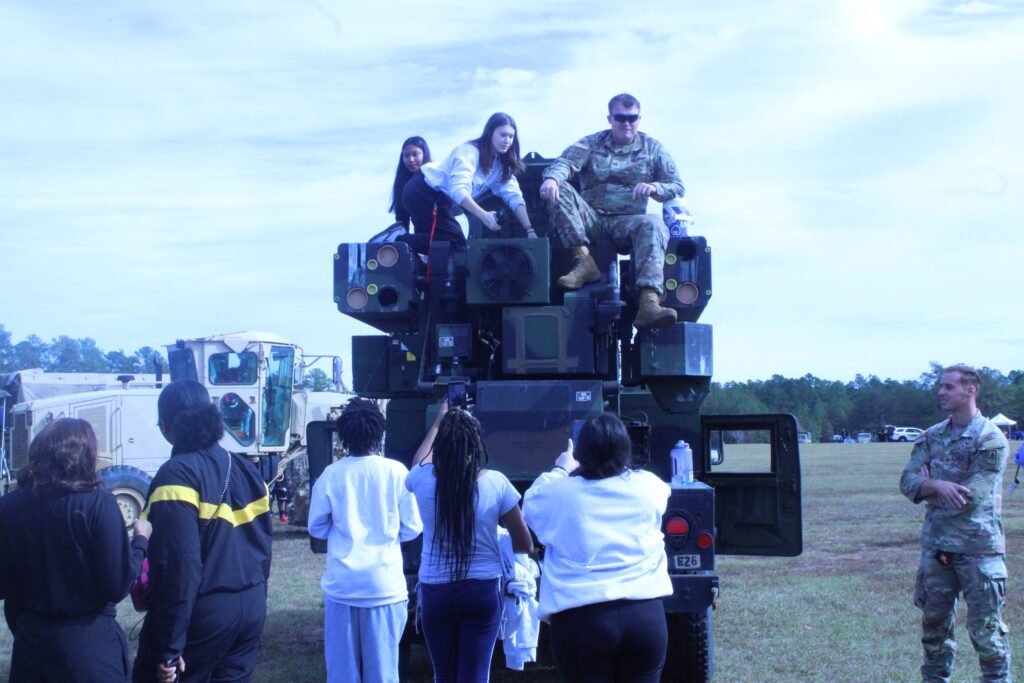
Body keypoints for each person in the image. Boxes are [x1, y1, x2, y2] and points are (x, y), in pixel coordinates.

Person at [133, 380, 273, 683]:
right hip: (251, 606)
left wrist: (170, 647)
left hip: (204, 612)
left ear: (166, 427)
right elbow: (264, 549)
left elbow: (179, 567)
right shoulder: (248, 470)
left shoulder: (177, 475)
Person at [523, 413, 672, 683]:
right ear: (625, 447)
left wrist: (561, 469)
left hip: (582, 619)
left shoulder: (560, 494)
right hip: (645, 616)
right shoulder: (650, 487)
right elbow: (659, 492)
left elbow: (531, 505)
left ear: (580, 452)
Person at [0, 418, 151, 682]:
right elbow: (117, 585)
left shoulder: (8, 506)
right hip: (88, 648)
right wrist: (140, 542)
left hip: (31, 650)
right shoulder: (97, 502)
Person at [406, 401, 534, 682]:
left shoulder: (421, 479)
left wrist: (439, 421)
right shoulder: (497, 483)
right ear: (475, 445)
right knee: (475, 675)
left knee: (444, 674)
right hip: (482, 590)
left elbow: (419, 462)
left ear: (440, 445)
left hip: (436, 591)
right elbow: (524, 544)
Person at [899, 364, 1011, 682]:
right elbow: (907, 482)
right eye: (941, 386)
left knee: (986, 635)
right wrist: (938, 487)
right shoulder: (931, 436)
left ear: (970, 390)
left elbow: (971, 496)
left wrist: (929, 487)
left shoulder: (991, 438)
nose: (941, 392)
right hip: (937, 548)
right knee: (933, 630)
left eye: (948, 387)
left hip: (979, 550)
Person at [539, 92, 684, 328]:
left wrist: (654, 187)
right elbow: (564, 163)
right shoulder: (592, 143)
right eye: (620, 118)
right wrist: (553, 179)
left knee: (654, 223)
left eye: (632, 118)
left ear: (639, 119)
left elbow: (677, 186)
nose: (626, 123)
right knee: (559, 189)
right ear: (610, 118)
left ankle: (649, 302)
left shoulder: (653, 148)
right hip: (592, 219)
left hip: (627, 223)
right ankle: (584, 262)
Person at [307, 398, 423, 683]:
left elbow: (317, 528)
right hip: (384, 588)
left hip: (342, 588)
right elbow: (413, 527)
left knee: (343, 675)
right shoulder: (396, 472)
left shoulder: (331, 475)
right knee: (383, 674)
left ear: (343, 435)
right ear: (379, 433)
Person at [399, 112, 536, 255]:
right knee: (454, 241)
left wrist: (530, 230)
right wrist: (483, 215)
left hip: (438, 199)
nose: (507, 140)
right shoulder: (469, 153)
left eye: (511, 136)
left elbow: (514, 197)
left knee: (444, 244)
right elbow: (458, 189)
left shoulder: (501, 166)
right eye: (503, 135)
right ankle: (396, 242)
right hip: (422, 190)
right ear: (490, 134)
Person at [389, 136, 431, 230]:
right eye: (407, 156)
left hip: (443, 235)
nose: (411, 159)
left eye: (415, 154)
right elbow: (402, 219)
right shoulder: (403, 185)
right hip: (421, 237)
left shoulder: (434, 178)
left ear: (424, 154)